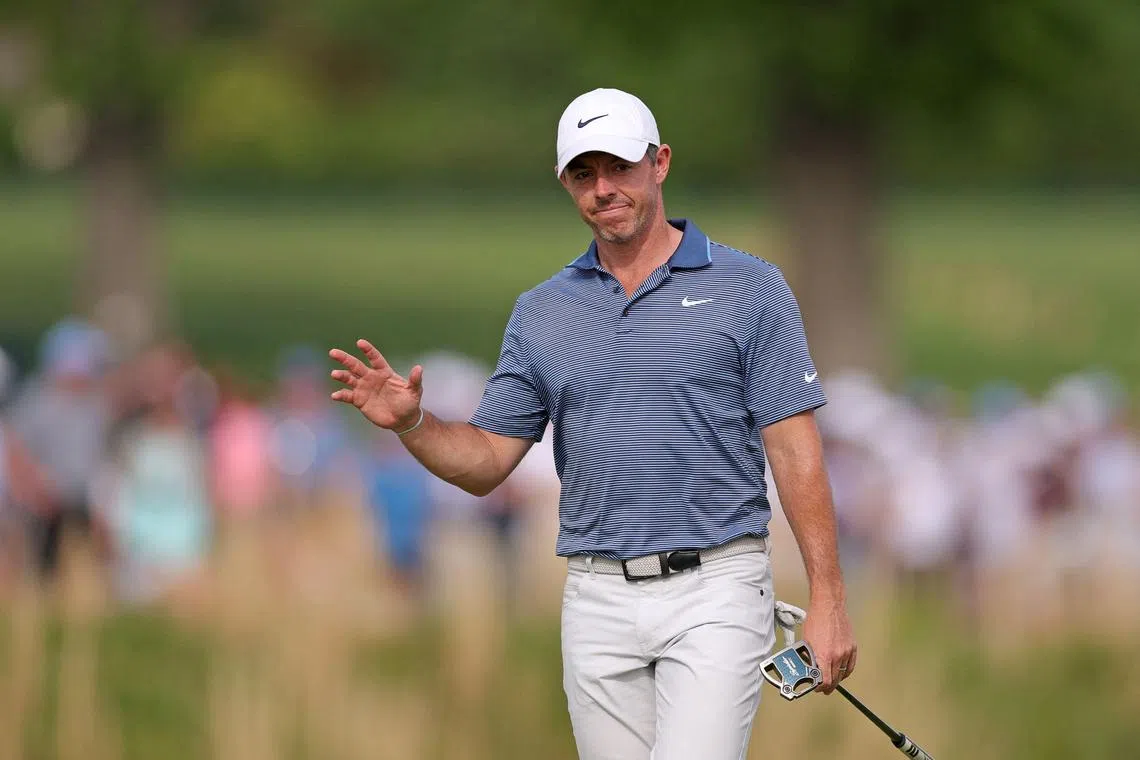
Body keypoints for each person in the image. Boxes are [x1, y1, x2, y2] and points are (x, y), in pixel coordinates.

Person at [329, 87, 857, 760]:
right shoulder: (542, 312)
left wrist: (828, 598)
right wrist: (414, 424)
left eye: (619, 167)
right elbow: (487, 461)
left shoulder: (749, 288)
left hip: (717, 587)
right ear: (566, 183)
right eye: (584, 173)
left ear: (659, 163)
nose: (603, 188)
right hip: (596, 596)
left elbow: (795, 451)